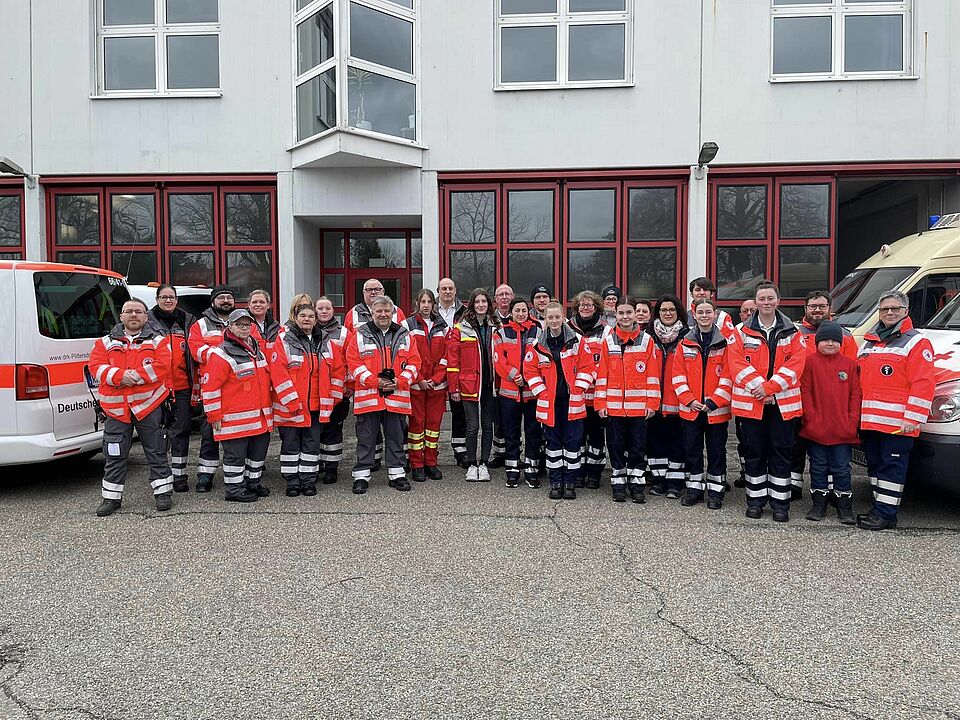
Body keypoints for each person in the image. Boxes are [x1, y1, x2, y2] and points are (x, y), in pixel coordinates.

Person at [202, 309, 301, 502]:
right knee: (235, 457)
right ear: (229, 326)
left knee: (257, 455)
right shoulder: (221, 353)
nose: (244, 328)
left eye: (247, 325)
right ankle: (234, 490)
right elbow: (210, 388)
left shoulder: (257, 351)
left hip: (259, 418)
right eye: (239, 325)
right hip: (233, 419)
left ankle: (252, 483)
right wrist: (214, 416)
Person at [856, 291, 935, 530]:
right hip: (870, 422)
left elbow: (923, 383)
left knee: (892, 468)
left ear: (905, 311)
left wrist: (913, 418)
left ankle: (887, 514)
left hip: (898, 424)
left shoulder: (916, 342)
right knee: (876, 466)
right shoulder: (869, 342)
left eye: (895, 308)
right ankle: (879, 508)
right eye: (884, 309)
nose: (889, 312)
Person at [728, 282, 806, 522]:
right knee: (754, 453)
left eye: (770, 298)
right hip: (753, 404)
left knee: (781, 453)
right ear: (756, 302)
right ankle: (755, 501)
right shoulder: (739, 331)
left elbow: (796, 365)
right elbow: (736, 364)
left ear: (778, 301)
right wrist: (760, 389)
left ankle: (780, 504)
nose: (766, 302)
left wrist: (771, 388)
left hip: (781, 405)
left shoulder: (794, 331)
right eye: (761, 298)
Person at [89, 298, 174, 516]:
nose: (133, 315)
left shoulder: (158, 341)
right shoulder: (104, 343)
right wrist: (119, 376)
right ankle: (111, 498)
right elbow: (95, 367)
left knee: (156, 450)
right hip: (116, 411)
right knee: (114, 453)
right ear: (121, 316)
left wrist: (133, 377)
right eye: (129, 311)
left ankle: (163, 493)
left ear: (146, 316)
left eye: (138, 311)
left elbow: (163, 366)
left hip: (149, 406)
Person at [346, 295, 421, 494]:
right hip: (368, 398)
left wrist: (400, 381)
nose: (383, 314)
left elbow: (415, 363)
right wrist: (375, 381)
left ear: (393, 313)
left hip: (396, 396)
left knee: (396, 437)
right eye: (379, 311)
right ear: (372, 313)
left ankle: (397, 475)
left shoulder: (405, 335)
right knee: (366, 438)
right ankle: (362, 475)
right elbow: (354, 363)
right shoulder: (360, 335)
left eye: (387, 311)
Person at [791, 290, 859, 498]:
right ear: (806, 308)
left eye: (822, 306)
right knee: (796, 447)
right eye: (813, 306)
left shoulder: (845, 336)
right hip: (798, 398)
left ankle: (830, 491)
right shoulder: (794, 332)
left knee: (827, 452)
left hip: (831, 403)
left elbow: (851, 371)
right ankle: (795, 484)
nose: (817, 310)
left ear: (830, 308)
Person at [595, 296, 661, 504]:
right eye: (621, 313)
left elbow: (652, 375)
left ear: (636, 314)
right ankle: (618, 483)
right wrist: (600, 403)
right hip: (614, 408)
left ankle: (637, 484)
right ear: (616, 314)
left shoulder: (647, 340)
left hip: (639, 408)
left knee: (637, 447)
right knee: (615, 445)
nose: (625, 317)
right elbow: (602, 374)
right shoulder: (608, 340)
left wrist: (653, 403)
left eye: (629, 313)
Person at [524, 302, 591, 500]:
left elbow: (588, 367)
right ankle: (555, 482)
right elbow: (529, 370)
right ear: (545, 319)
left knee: (572, 443)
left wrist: (578, 387)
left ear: (563, 317)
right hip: (549, 403)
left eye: (557, 317)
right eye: (550, 317)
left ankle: (570, 482)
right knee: (553, 444)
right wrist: (542, 392)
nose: (554, 321)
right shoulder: (537, 344)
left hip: (572, 402)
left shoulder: (577, 340)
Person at [673, 299, 733, 509]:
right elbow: (677, 375)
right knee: (692, 451)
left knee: (717, 451)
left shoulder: (726, 344)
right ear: (694, 315)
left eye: (709, 312)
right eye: (701, 312)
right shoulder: (684, 343)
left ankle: (716, 493)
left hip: (716, 410)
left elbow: (729, 376)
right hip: (691, 409)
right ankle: (694, 489)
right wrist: (690, 399)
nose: (705, 316)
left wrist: (713, 401)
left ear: (715, 314)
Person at [799, 321, 861, 524]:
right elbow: (805, 392)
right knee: (818, 468)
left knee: (842, 469)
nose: (830, 343)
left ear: (841, 343)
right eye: (825, 339)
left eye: (835, 340)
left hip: (843, 431)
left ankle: (844, 508)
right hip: (816, 429)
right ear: (817, 342)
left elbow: (855, 395)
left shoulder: (850, 365)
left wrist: (852, 422)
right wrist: (810, 418)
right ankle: (819, 505)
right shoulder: (809, 362)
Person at [275, 303, 333, 497]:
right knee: (291, 444)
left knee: (311, 444)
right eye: (303, 316)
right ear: (296, 318)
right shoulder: (284, 340)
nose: (307, 319)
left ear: (315, 320)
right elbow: (278, 373)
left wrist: (331, 398)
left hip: (316, 404)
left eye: (310, 316)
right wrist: (291, 401)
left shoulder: (324, 340)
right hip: (292, 405)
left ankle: (308, 481)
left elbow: (334, 369)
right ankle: (292, 482)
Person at [146, 284, 196, 493]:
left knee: (181, 431)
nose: (168, 300)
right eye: (164, 297)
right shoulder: (146, 321)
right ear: (157, 299)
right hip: (156, 388)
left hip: (182, 386)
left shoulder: (186, 320)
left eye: (172, 297)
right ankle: (161, 474)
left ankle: (179, 474)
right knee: (157, 434)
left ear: (176, 300)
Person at [448, 289, 499, 482]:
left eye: (484, 301)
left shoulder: (497, 326)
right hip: (468, 384)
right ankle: (471, 464)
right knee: (472, 426)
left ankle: (484, 463)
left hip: (490, 384)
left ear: (488, 304)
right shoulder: (461, 328)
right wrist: (454, 388)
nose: (480, 305)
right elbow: (453, 361)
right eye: (477, 302)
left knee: (487, 425)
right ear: (471, 304)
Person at [188, 285, 235, 493]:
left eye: (229, 298)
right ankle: (206, 475)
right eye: (221, 297)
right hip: (211, 387)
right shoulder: (200, 325)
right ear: (213, 301)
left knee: (234, 433)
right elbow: (196, 351)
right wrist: (224, 357)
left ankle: (234, 473)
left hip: (237, 389)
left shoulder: (243, 322)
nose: (225, 301)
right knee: (209, 433)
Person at [493, 297, 541, 488]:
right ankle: (512, 471)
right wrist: (515, 376)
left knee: (532, 432)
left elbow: (541, 355)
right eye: (517, 311)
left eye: (524, 311)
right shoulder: (501, 332)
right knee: (511, 433)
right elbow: (499, 360)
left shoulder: (538, 330)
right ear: (511, 312)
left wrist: (528, 376)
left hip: (531, 393)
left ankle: (531, 470)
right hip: (509, 393)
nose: (521, 314)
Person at [404, 289, 449, 483]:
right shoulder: (407, 324)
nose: (426, 305)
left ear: (434, 304)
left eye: (429, 301)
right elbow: (405, 355)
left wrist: (436, 379)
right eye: (422, 301)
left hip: (436, 387)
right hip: (416, 386)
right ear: (417, 303)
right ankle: (416, 464)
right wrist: (419, 379)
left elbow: (448, 357)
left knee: (433, 427)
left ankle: (431, 462)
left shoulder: (443, 326)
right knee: (416, 426)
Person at [646, 294, 689, 498]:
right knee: (655, 442)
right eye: (663, 310)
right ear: (658, 313)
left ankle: (675, 482)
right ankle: (658, 480)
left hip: (678, 400)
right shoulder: (647, 337)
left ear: (678, 311)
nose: (668, 313)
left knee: (677, 442)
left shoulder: (688, 336)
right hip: (654, 400)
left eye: (671, 309)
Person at [569, 290, 608, 489]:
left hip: (597, 395)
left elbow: (608, 363)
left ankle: (594, 474)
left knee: (595, 436)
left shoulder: (606, 331)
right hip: (575, 395)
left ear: (596, 308)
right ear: (576, 307)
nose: (585, 308)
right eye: (582, 305)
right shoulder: (568, 329)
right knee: (577, 436)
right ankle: (577, 472)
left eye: (589, 305)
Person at [315, 296, 349, 484]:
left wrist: (348, 385)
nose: (324, 311)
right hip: (315, 393)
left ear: (333, 311)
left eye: (327, 308)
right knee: (316, 431)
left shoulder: (343, 333)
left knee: (333, 431)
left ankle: (331, 468)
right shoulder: (308, 332)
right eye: (320, 308)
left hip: (337, 392)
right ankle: (317, 463)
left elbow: (350, 359)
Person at [437, 278, 468, 468]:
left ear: (455, 291)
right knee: (432, 413)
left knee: (460, 411)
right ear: (438, 291)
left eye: (450, 288)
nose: (447, 291)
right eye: (443, 289)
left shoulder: (465, 313)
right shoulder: (430, 311)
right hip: (436, 368)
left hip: (458, 367)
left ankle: (460, 449)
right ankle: (428, 451)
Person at [488, 284, 515, 467]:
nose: (504, 297)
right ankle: (499, 453)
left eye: (507, 294)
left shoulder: (519, 317)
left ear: (512, 297)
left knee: (514, 418)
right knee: (498, 416)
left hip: (516, 377)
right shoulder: (490, 320)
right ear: (495, 299)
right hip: (495, 375)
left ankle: (515, 452)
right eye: (500, 295)